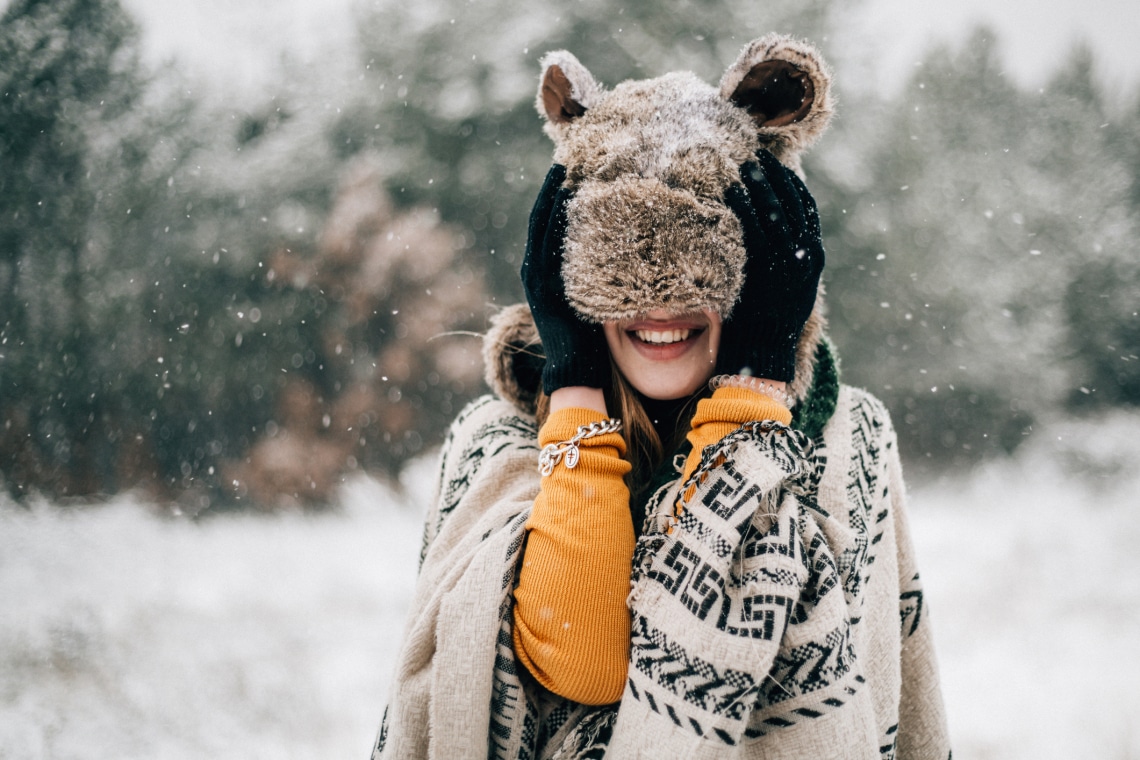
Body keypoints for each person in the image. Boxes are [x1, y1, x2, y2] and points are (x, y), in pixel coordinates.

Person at [371, 33, 950, 760]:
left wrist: (756, 379)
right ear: (566, 273)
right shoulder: (499, 445)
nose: (658, 303)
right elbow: (586, 666)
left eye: (697, 265)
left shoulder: (847, 440)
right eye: (616, 271)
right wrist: (573, 380)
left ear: (761, 267)